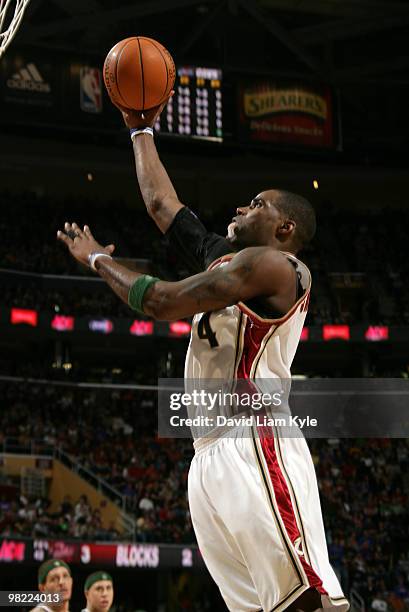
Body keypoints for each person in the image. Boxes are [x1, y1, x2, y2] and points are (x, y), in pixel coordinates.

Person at [57, 96, 349, 612]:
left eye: (257, 204)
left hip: (255, 438)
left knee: (305, 600)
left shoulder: (280, 269)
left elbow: (166, 301)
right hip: (207, 453)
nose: (241, 207)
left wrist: (100, 259)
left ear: (285, 229)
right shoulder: (228, 257)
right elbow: (161, 206)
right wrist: (139, 129)